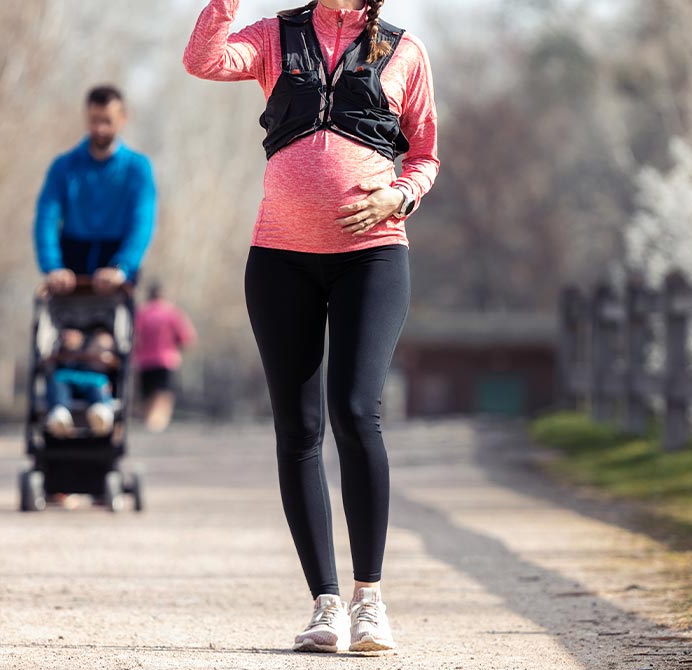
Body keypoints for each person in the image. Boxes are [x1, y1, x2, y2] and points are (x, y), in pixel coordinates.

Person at [184, 0, 439, 653]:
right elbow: (204, 60)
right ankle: (325, 603)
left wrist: (399, 194)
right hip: (278, 258)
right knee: (298, 428)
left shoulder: (403, 52)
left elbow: (426, 155)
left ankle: (369, 600)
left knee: (356, 411)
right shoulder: (275, 36)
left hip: (373, 254)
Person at [34, 85, 157, 294]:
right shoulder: (64, 167)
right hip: (71, 261)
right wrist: (53, 267)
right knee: (68, 329)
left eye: (107, 121)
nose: (100, 129)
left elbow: (142, 223)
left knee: (106, 329)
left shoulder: (138, 169)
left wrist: (122, 267)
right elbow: (46, 218)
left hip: (115, 260)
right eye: (94, 120)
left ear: (122, 119)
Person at [134, 282, 197, 432]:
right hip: (166, 360)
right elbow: (186, 337)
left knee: (148, 393)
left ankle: (149, 422)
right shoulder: (172, 313)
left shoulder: (142, 313)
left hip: (144, 361)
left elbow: (133, 336)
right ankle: (157, 424)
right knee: (163, 392)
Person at [45, 328, 119, 437]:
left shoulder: (101, 368)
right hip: (67, 384)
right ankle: (60, 416)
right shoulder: (63, 352)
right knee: (58, 384)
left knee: (98, 385)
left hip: (93, 385)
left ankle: (100, 413)